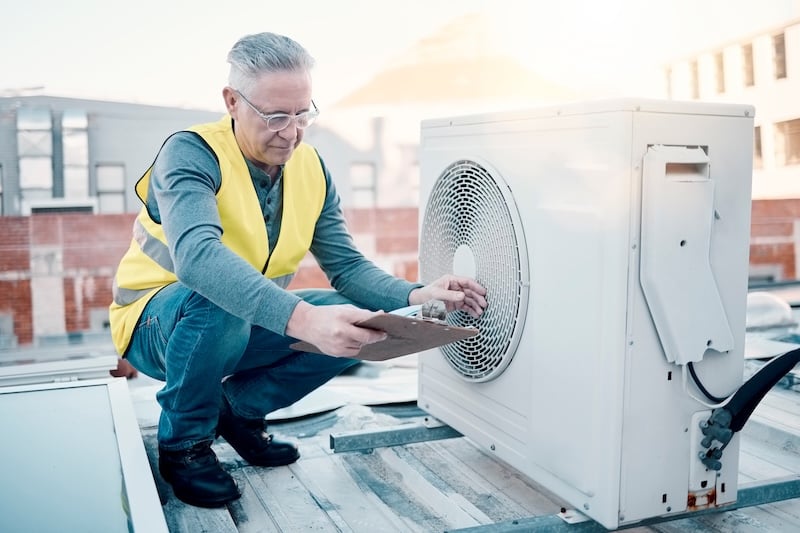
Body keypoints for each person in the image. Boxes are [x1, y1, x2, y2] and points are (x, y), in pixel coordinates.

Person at [108, 31, 487, 509]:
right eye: (275, 116)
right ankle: (184, 448)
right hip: (155, 326)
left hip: (237, 326)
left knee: (356, 321)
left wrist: (416, 295)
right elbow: (198, 258)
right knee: (221, 299)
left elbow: (346, 267)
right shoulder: (190, 153)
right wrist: (307, 321)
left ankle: (238, 412)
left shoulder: (310, 167)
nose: (291, 131)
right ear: (232, 101)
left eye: (302, 113)